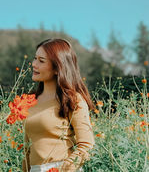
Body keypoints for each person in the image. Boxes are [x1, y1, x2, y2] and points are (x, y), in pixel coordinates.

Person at [22, 38, 95, 172]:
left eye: (41, 61)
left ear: (57, 68)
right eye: (35, 58)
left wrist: (65, 168)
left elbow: (86, 145)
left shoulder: (72, 99)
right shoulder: (31, 100)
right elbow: (28, 149)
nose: (34, 64)